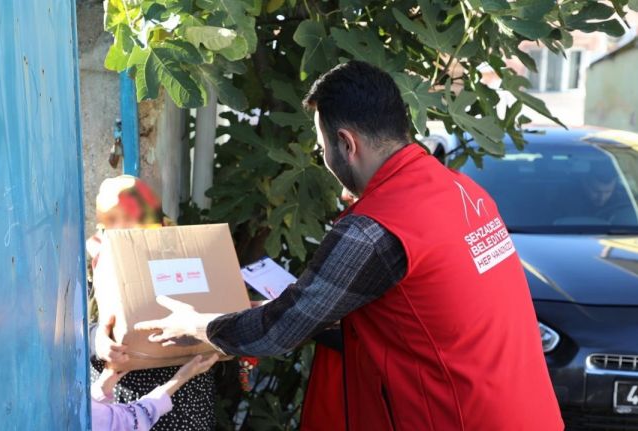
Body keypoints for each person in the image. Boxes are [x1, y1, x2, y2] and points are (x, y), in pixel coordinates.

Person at [135, 61, 564, 430]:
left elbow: (280, 331)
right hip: (527, 412)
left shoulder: (378, 225)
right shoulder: (461, 191)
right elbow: (428, 313)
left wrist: (201, 326)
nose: (325, 159)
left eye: (323, 147)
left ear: (346, 144)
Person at [87, 175, 217, 431]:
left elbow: (219, 305)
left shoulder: (187, 251)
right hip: (120, 391)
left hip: (186, 389)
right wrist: (97, 341)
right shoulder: (98, 255)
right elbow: (69, 328)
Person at [91, 344, 218, 430]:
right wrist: (180, 378)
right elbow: (134, 420)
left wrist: (102, 388)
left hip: (123, 378)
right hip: (172, 398)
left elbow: (87, 412)